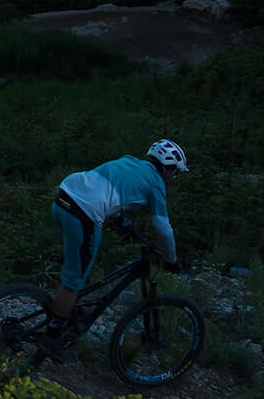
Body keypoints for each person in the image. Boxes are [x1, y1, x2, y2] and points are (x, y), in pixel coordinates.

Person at [43, 140, 187, 353]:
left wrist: (119, 219)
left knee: (80, 264)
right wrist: (171, 260)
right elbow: (163, 228)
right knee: (74, 282)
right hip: (84, 213)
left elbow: (109, 186)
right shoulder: (157, 184)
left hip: (63, 199)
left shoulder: (129, 161)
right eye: (175, 173)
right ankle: (51, 338)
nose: (173, 178)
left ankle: (65, 308)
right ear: (167, 168)